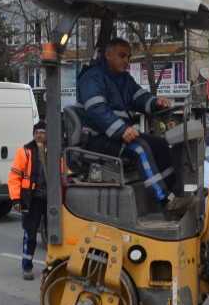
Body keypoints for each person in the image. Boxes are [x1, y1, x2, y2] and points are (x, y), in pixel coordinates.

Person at [77, 37, 189, 212]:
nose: (126, 61)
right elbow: (96, 109)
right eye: (122, 56)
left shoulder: (123, 79)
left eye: (128, 57)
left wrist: (155, 102)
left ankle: (175, 193)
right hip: (96, 137)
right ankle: (165, 201)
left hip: (117, 136)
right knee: (140, 149)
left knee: (160, 145)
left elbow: (139, 97)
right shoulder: (92, 78)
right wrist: (122, 129)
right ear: (108, 55)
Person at [8, 121, 48, 280]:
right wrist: (16, 199)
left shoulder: (54, 151)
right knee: (30, 234)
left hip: (50, 199)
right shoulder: (25, 151)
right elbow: (14, 177)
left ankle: (50, 268)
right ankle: (27, 266)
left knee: (53, 235)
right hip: (32, 199)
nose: (40, 135)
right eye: (37, 132)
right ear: (33, 134)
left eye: (43, 132)